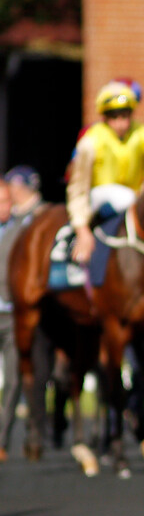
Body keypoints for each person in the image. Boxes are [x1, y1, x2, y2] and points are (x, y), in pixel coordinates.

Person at [66, 81, 144, 264]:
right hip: (99, 199)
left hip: (136, 202)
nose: (121, 123)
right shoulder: (90, 142)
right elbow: (78, 188)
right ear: (105, 117)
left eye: (126, 116)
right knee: (122, 196)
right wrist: (81, 228)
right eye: (114, 117)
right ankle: (71, 248)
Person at [0, 180, 23, 461]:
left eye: (7, 200)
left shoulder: (22, 230)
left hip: (12, 313)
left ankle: (2, 437)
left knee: (14, 378)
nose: (5, 207)